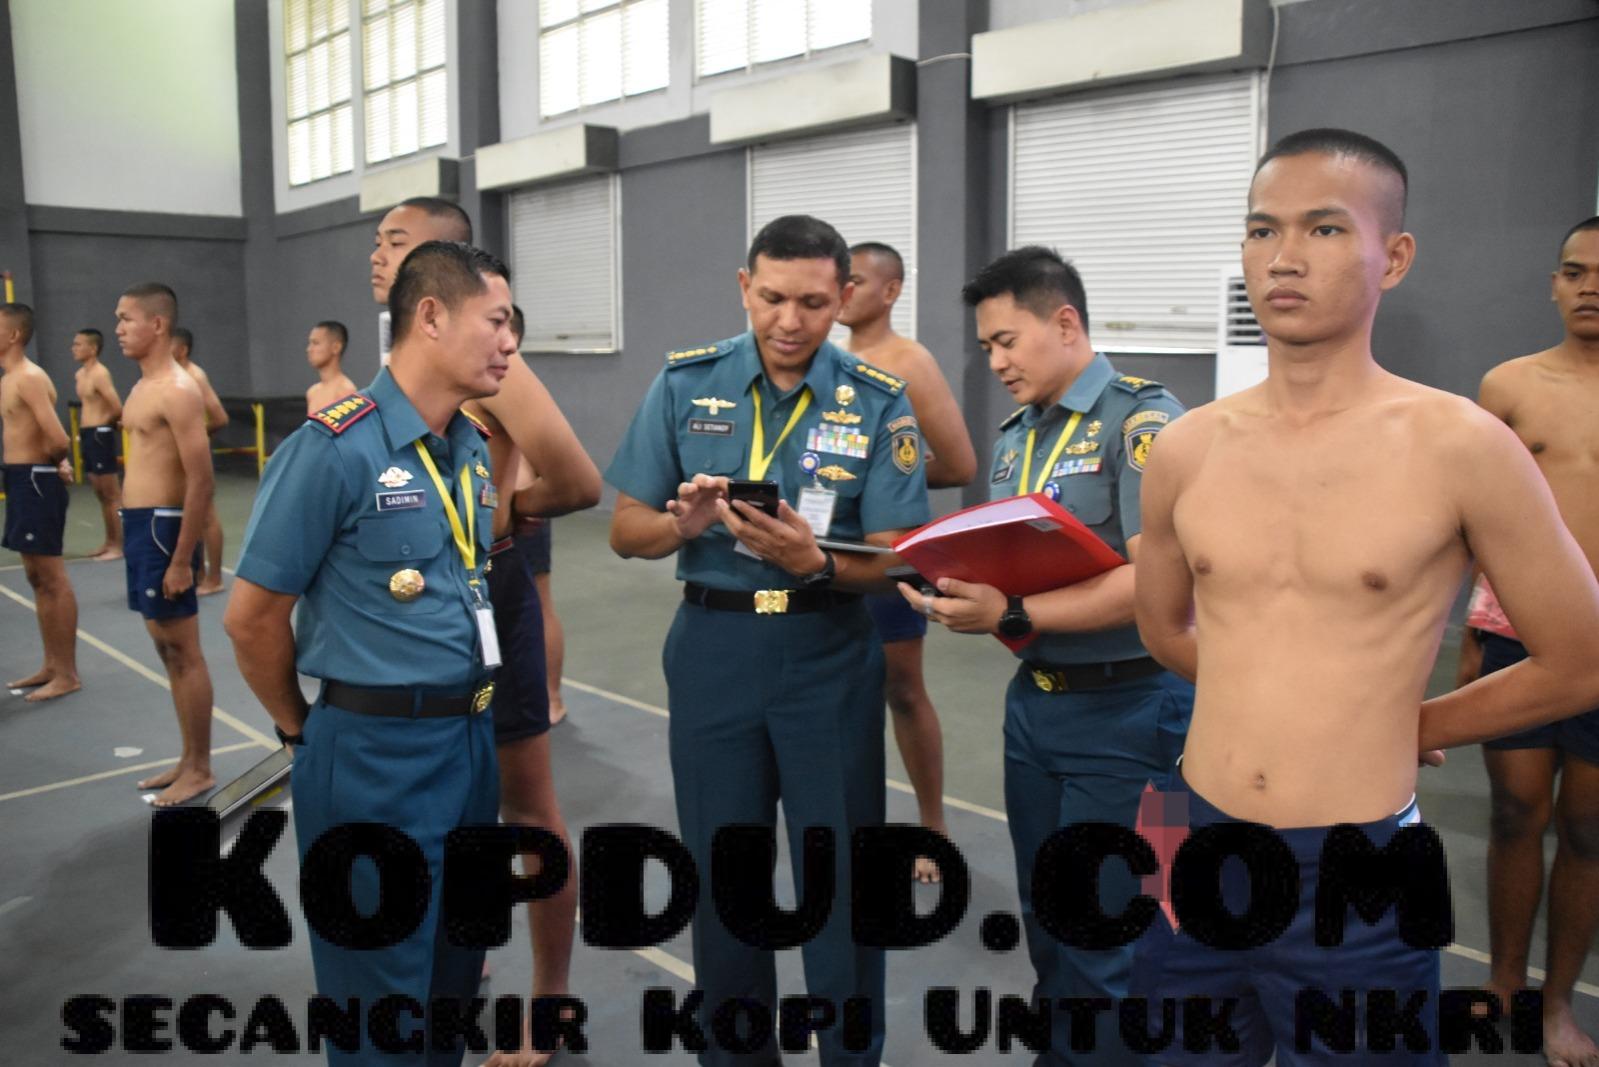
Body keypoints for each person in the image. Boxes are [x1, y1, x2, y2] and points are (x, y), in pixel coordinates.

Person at [1132, 129, 1599, 1064]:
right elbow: (1163, 627)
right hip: (1193, 829)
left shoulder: (1458, 444)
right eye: (1260, 230)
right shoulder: (1185, 447)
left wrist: (1407, 720)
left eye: (1324, 228)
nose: (1283, 257)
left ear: (1394, 256)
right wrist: (1267, 695)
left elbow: (1579, 659)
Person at [607, 213, 930, 1067]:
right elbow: (625, 529)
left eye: (814, 303)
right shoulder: (685, 383)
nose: (790, 321)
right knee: (727, 877)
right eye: (774, 297)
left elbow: (901, 556)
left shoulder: (876, 398)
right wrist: (680, 526)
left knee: (842, 876)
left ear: (844, 297)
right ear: (744, 286)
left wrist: (816, 561)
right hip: (713, 649)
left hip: (826, 651)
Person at [899, 247, 1193, 1065]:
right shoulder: (1015, 438)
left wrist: (1012, 610)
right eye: (985, 346)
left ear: (1065, 323)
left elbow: (1153, 581)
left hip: (1129, 706)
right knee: (1046, 918)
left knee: (1104, 930)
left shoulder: (1141, 423)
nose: (994, 362)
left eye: (1005, 341)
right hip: (1036, 702)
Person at [225, 241, 514, 1067]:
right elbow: (251, 619)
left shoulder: (468, 446)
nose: (509, 342)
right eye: (496, 321)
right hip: (372, 755)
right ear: (431, 315)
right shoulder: (333, 448)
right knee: (379, 1005)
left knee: (452, 982)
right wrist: (300, 730)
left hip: (469, 745)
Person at [366, 199, 601, 1067]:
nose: (376, 253)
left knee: (525, 805)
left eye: (394, 240)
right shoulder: (399, 359)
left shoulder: (501, 362)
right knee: (440, 801)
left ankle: (550, 1002)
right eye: (377, 240)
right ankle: (456, 957)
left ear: (444, 259)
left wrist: (499, 509)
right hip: (416, 597)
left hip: (484, 589)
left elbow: (577, 481)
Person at [1453, 215, 1599, 1066]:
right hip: (1517, 631)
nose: (1590, 286)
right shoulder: (1507, 386)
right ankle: (1504, 986)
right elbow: (1476, 518)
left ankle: (1556, 1005)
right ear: (1553, 284)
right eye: (1574, 271)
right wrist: (1473, 631)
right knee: (1513, 813)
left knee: (1587, 828)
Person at [840, 239, 977, 883]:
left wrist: (884, 479)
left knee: (901, 689)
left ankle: (932, 825)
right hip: (824, 555)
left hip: (888, 553)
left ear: (891, 290)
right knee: (834, 690)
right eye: (839, 282)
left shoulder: (908, 361)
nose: (844, 293)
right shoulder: (819, 361)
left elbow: (958, 463)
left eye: (857, 281)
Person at [115, 284, 217, 805]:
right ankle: (187, 758)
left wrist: (181, 559)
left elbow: (202, 479)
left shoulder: (178, 389)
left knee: (183, 651)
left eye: (126, 318)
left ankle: (200, 768)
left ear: (157, 325)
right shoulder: (140, 388)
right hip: (140, 525)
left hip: (163, 529)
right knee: (165, 649)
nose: (118, 328)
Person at [1, 302, 80, 702]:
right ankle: (51, 664)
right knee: (36, 578)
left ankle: (67, 673)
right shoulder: (10, 378)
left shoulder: (29, 378)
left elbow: (58, 437)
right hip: (21, 479)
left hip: (35, 480)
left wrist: (55, 462)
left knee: (51, 578)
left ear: (14, 334)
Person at [170, 327, 227, 596]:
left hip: (195, 456)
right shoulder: (173, 377)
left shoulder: (195, 376)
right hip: (178, 459)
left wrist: (193, 438)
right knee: (190, 514)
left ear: (182, 350)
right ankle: (199, 572)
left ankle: (214, 578)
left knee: (206, 515)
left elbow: (220, 418)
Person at [72, 326, 124, 560]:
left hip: (99, 435)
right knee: (100, 494)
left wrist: (102, 426)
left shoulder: (100, 374)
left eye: (78, 344)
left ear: (92, 349)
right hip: (87, 435)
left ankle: (119, 546)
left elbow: (117, 406)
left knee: (111, 494)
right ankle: (109, 541)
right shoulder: (80, 374)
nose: (73, 348)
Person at [304, 319, 356, 415]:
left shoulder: (345, 390)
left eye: (316, 343)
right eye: (310, 343)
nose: (309, 349)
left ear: (336, 347)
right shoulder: (312, 393)